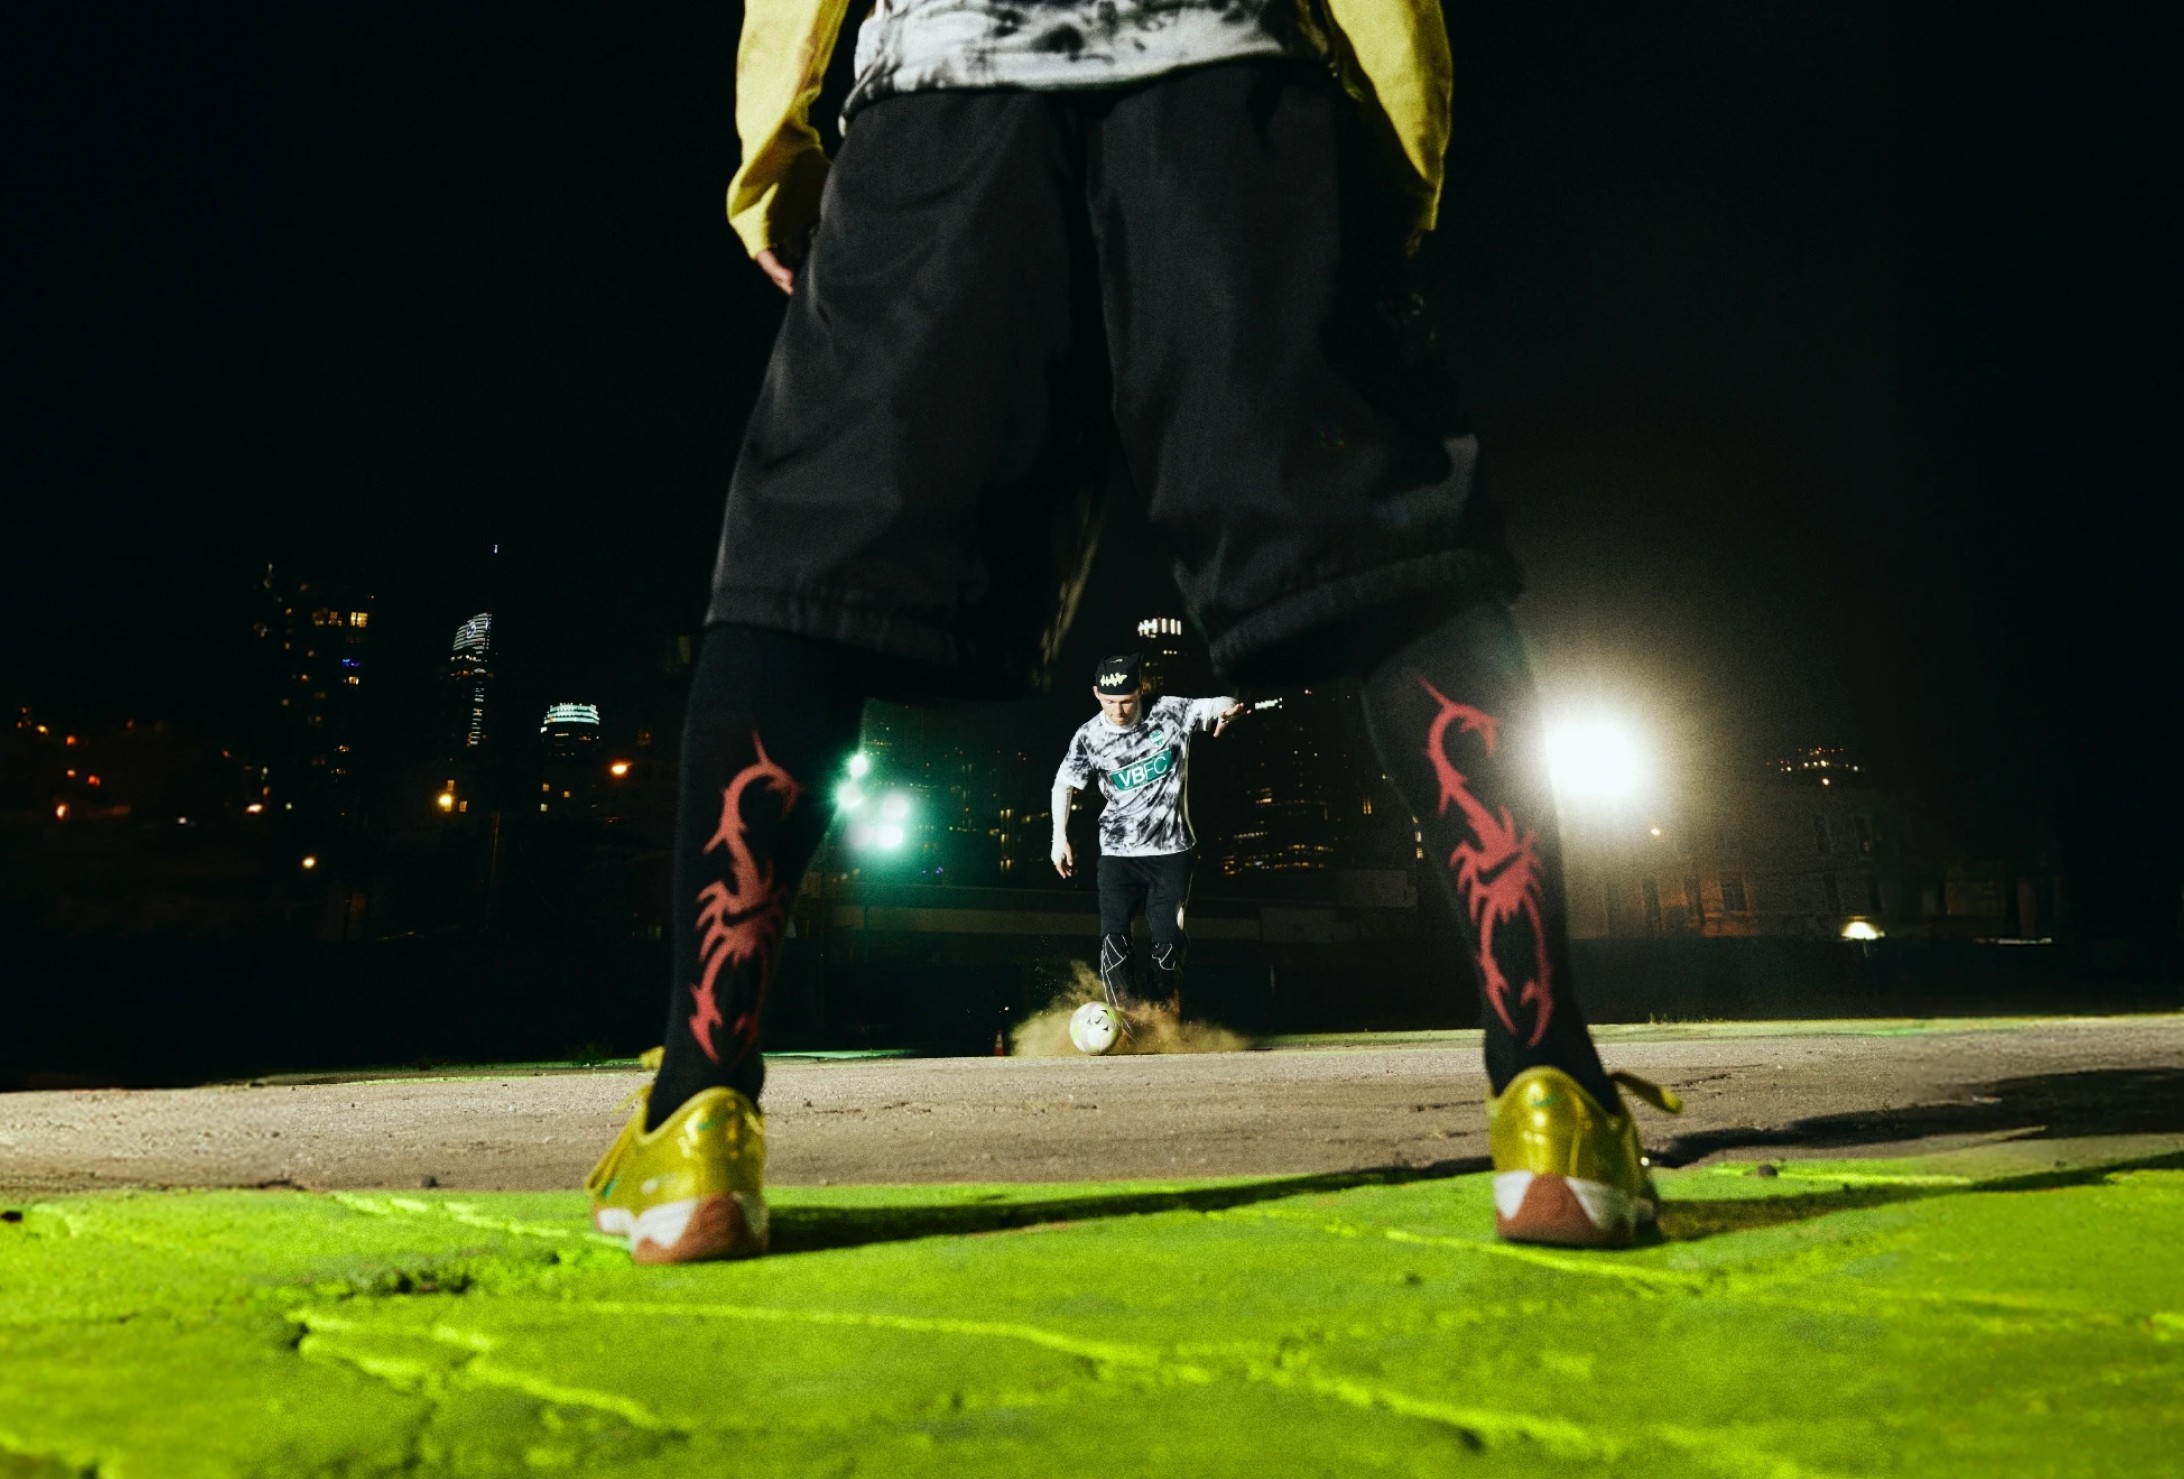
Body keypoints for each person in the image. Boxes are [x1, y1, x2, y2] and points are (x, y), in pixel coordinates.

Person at [586, 0, 1681, 1266]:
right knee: (1394, 555)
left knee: (799, 577)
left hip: (946, 91)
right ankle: (1552, 1096)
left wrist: (775, 148)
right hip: (1230, 87)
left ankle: (698, 1117)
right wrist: (1390, 153)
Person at [1049, 653, 1242, 1017]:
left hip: (1171, 853)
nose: (1118, 711)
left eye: (1126, 700)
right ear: (1096, 694)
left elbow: (1220, 702)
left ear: (1140, 690)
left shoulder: (1168, 712)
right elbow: (1064, 783)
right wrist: (1059, 837)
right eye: (1109, 702)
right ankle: (1122, 1016)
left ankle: (1162, 1015)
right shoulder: (1089, 736)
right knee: (1115, 938)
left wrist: (1229, 710)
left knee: (1167, 944)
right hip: (1118, 856)